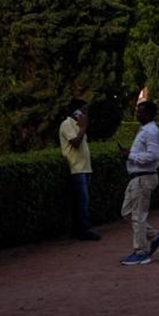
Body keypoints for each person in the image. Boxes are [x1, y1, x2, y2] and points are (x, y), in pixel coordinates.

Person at [119, 100, 159, 265]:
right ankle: (155, 236)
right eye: (137, 111)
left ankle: (140, 251)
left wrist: (130, 156)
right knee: (127, 213)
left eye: (141, 112)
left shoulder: (151, 131)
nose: (137, 114)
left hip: (143, 177)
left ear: (150, 114)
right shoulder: (144, 130)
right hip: (137, 177)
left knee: (138, 215)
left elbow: (153, 156)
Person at [59, 99, 99, 240]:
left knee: (82, 200)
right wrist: (83, 128)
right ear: (76, 111)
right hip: (76, 168)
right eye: (84, 110)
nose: (86, 113)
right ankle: (84, 229)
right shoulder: (67, 124)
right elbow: (75, 143)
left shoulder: (79, 125)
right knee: (82, 200)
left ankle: (77, 228)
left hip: (85, 168)